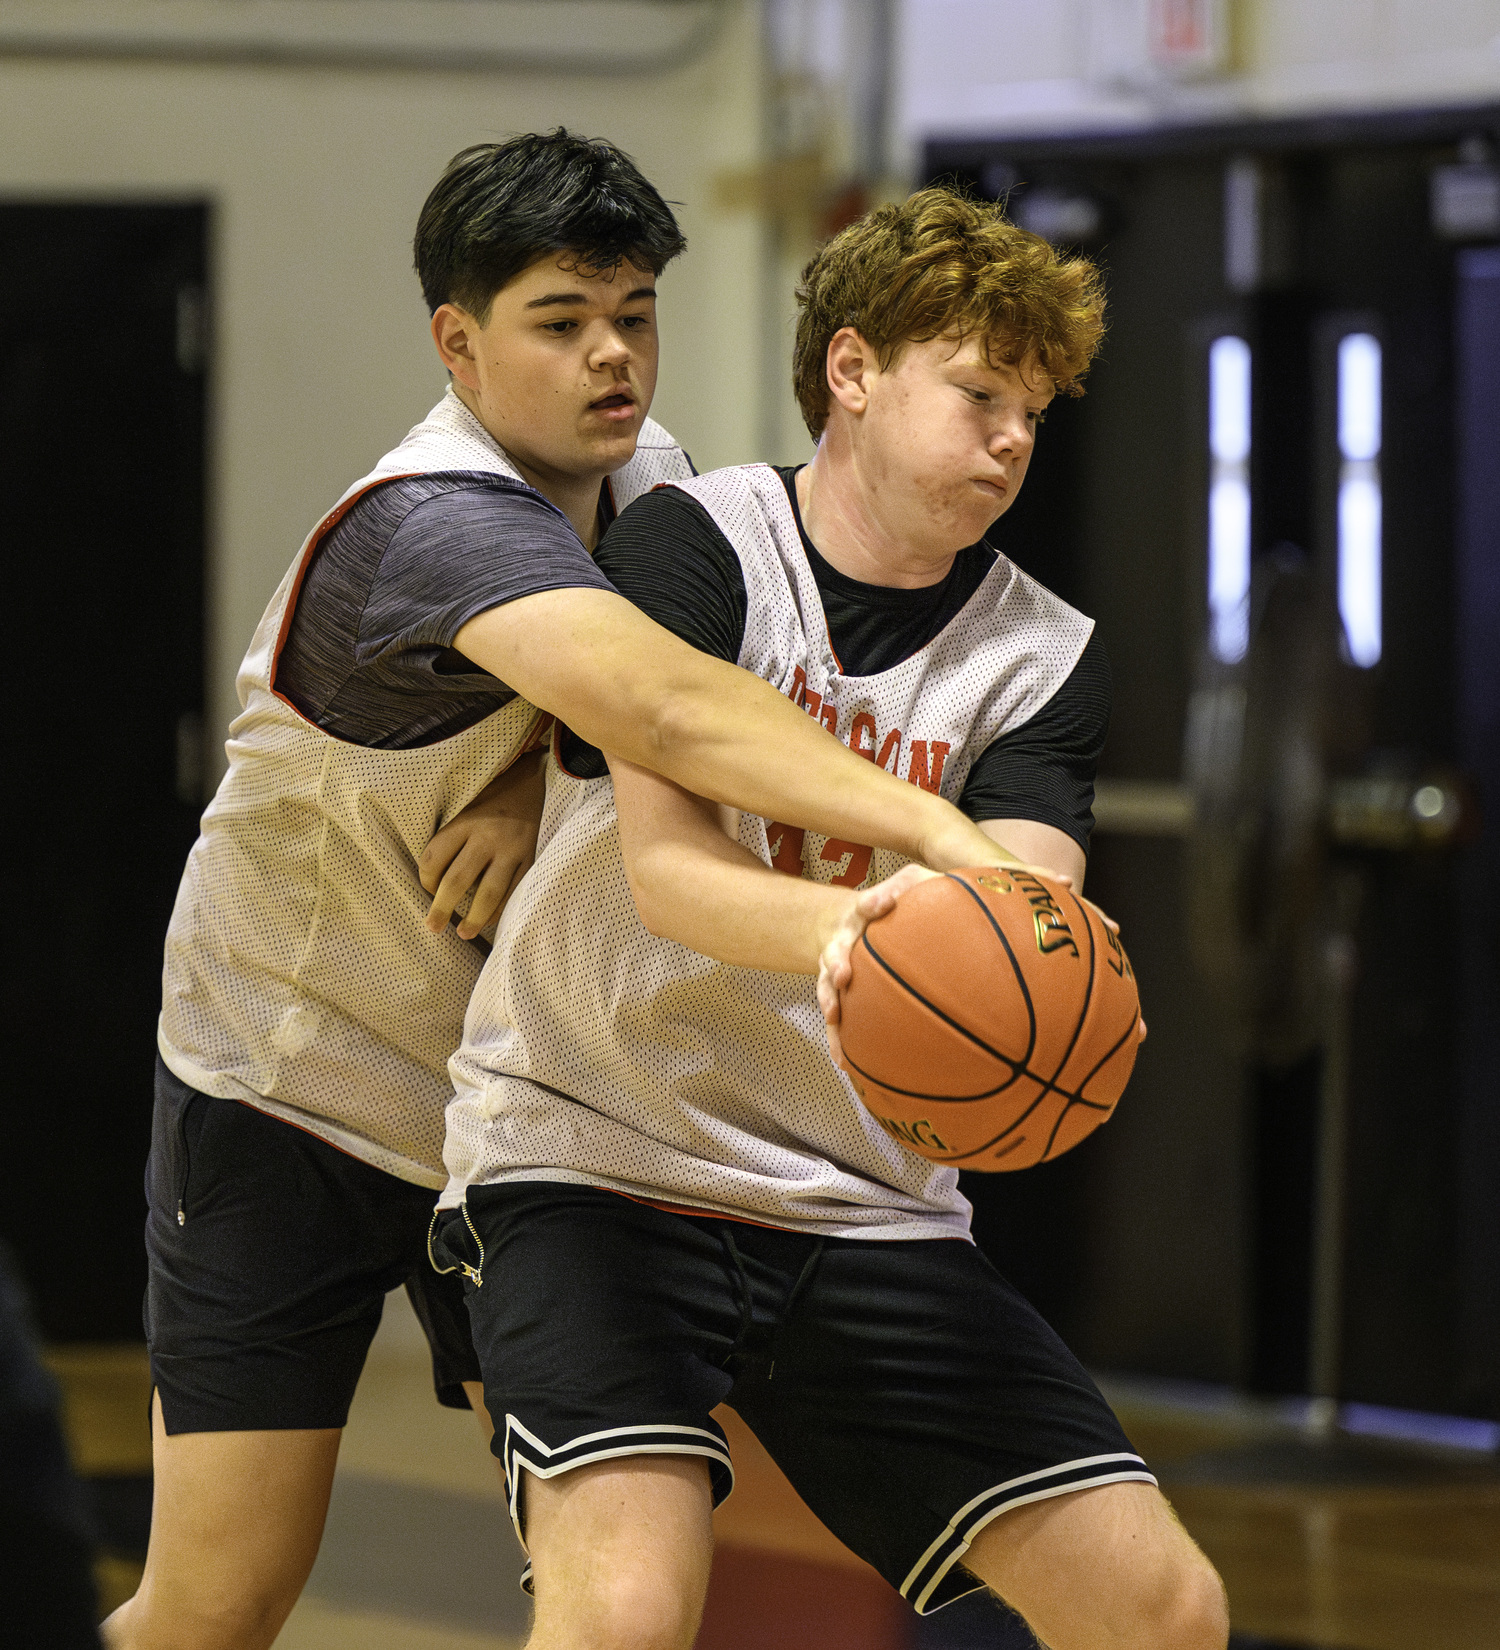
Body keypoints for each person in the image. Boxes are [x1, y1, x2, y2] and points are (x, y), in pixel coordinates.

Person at [108, 138, 1018, 1650]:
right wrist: (947, 836)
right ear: (457, 342)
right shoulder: (421, 522)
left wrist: (544, 762)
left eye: (636, 310)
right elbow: (663, 701)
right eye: (559, 319)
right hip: (285, 1087)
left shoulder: (656, 491)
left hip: (511, 1117)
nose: (614, 353)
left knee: (621, 1589)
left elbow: (682, 694)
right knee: (218, 1599)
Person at [434, 187, 1229, 1650]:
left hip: (860, 1198)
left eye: (1035, 413)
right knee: (624, 1616)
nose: (1010, 441)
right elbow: (667, 874)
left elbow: (1021, 909)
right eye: (980, 393)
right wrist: (877, 936)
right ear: (853, 372)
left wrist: (1026, 992)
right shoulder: (692, 547)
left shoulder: (1045, 654)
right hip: (595, 1154)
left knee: (1165, 1609)